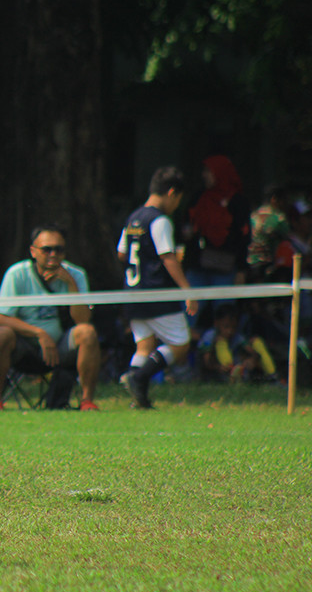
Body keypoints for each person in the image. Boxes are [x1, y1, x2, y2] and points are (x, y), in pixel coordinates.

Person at [0, 225, 100, 411]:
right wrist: (39, 333)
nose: (53, 254)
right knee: (2, 334)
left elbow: (82, 320)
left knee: (88, 333)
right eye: (47, 249)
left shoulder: (76, 275)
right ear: (33, 251)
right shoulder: (17, 273)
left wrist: (70, 285)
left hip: (61, 346)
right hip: (25, 348)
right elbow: (1, 317)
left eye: (59, 249)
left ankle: (87, 401)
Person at [117, 166, 197, 409]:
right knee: (181, 345)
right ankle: (138, 377)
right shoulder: (160, 220)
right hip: (156, 293)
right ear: (172, 192)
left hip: (132, 293)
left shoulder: (133, 218)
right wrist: (187, 290)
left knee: (145, 345)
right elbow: (168, 257)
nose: (177, 205)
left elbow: (121, 253)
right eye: (178, 199)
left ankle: (138, 399)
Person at [182, 155, 250, 325]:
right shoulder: (199, 197)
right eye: (204, 171)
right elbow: (186, 223)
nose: (205, 175)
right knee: (189, 312)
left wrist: (241, 270)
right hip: (197, 266)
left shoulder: (237, 201)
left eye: (209, 171)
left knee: (224, 315)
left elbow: (244, 236)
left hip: (225, 267)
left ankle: (221, 350)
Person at [197, 305, 278, 383]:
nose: (230, 331)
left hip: (233, 367)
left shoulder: (237, 336)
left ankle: (272, 376)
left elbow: (253, 352)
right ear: (216, 323)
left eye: (233, 327)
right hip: (213, 373)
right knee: (221, 343)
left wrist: (252, 359)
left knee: (257, 342)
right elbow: (206, 362)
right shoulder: (209, 336)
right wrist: (218, 367)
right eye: (226, 327)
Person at [247, 185, 290, 282]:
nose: (285, 204)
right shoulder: (278, 218)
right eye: (283, 200)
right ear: (274, 199)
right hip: (269, 264)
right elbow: (288, 237)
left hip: (250, 262)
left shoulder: (253, 216)